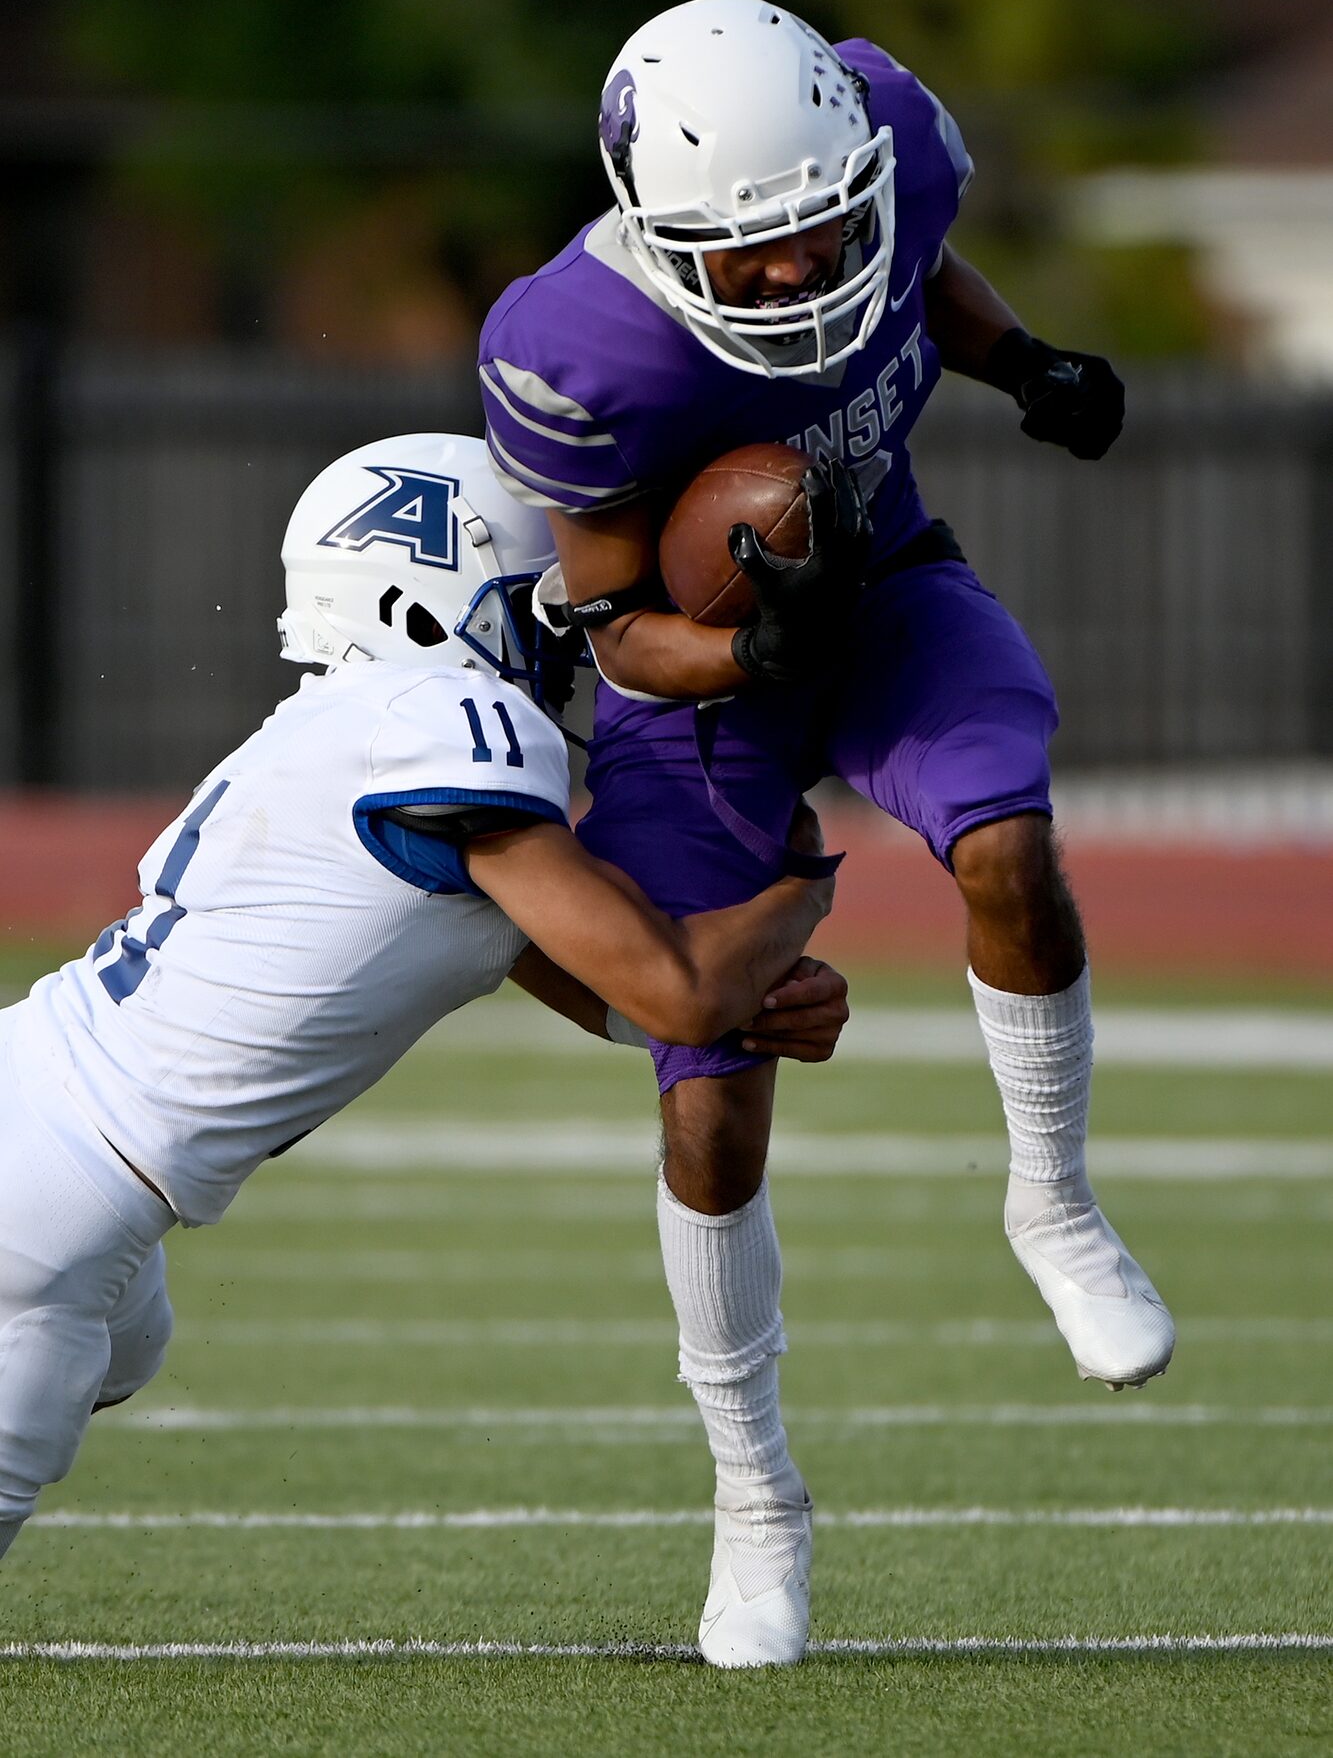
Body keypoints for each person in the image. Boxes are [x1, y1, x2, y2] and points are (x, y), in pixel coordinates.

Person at [479, 0, 1175, 1667]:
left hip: (881, 579)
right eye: (754, 257)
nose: (797, 276)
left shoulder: (894, 137)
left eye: (819, 233)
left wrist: (1022, 364)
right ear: (661, 241)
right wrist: (741, 649)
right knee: (709, 1096)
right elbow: (608, 627)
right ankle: (755, 1501)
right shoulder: (577, 348)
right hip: (688, 687)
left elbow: (916, 266)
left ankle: (1053, 1202)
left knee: (1005, 841)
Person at [0, 431, 851, 1579]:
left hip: (59, 1133)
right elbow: (680, 992)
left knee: (125, 1352)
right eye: (530, 604)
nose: (558, 635)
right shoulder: (441, 718)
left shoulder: (354, 727)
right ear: (418, 605)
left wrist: (753, 1001)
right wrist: (800, 886)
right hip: (55, 1192)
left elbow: (622, 988)